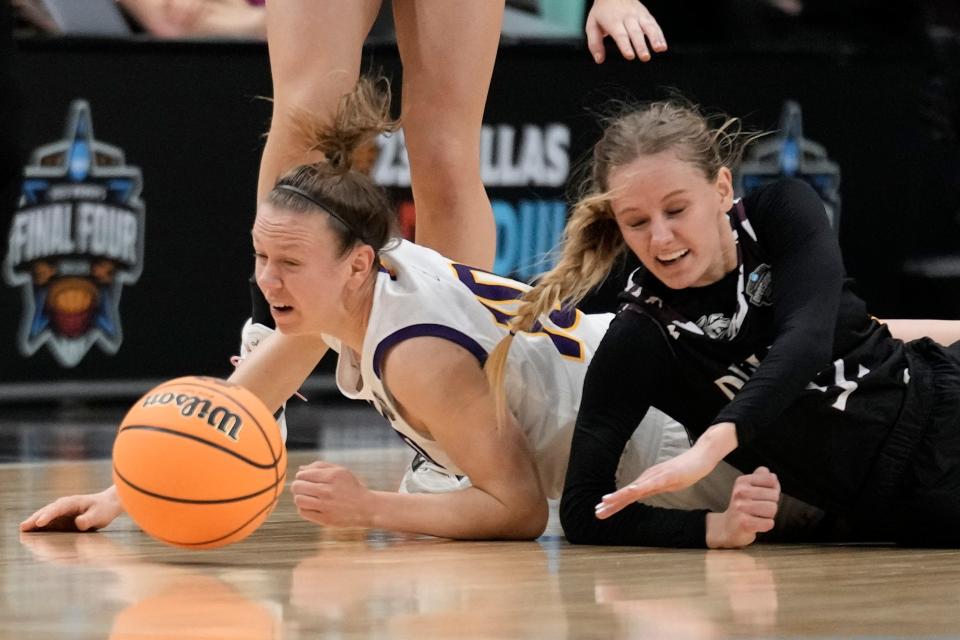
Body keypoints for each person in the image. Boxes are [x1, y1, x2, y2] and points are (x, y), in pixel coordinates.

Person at [20, 79, 789, 545]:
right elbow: (246, 393)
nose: (270, 281)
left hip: (668, 447)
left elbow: (520, 511)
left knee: (857, 462)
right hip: (648, 379)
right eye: (261, 259)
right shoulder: (350, 286)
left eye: (288, 264)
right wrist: (122, 492)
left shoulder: (416, 349)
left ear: (356, 264)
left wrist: (369, 508)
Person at [490, 98, 960, 547]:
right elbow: (582, 509)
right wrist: (712, 529)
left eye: (676, 210)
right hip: (913, 494)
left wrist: (711, 445)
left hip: (941, 392)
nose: (660, 237)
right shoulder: (642, 334)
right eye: (636, 222)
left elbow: (807, 341)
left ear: (721, 188)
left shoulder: (781, 213)